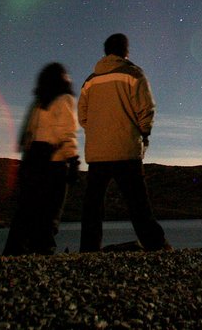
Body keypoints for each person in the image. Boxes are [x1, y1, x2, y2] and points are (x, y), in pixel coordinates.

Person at [78, 33, 169, 252]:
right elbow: (146, 109)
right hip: (126, 149)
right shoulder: (133, 74)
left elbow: (82, 117)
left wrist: (98, 132)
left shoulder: (90, 81)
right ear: (125, 51)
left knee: (93, 206)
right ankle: (156, 246)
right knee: (138, 204)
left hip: (97, 154)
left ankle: (88, 250)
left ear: (106, 51)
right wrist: (143, 133)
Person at [3, 62, 80, 255]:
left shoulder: (38, 102)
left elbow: (26, 133)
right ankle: (44, 248)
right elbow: (66, 131)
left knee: (27, 206)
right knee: (52, 207)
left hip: (32, 158)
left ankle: (15, 250)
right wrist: (73, 159)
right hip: (54, 159)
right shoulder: (64, 99)